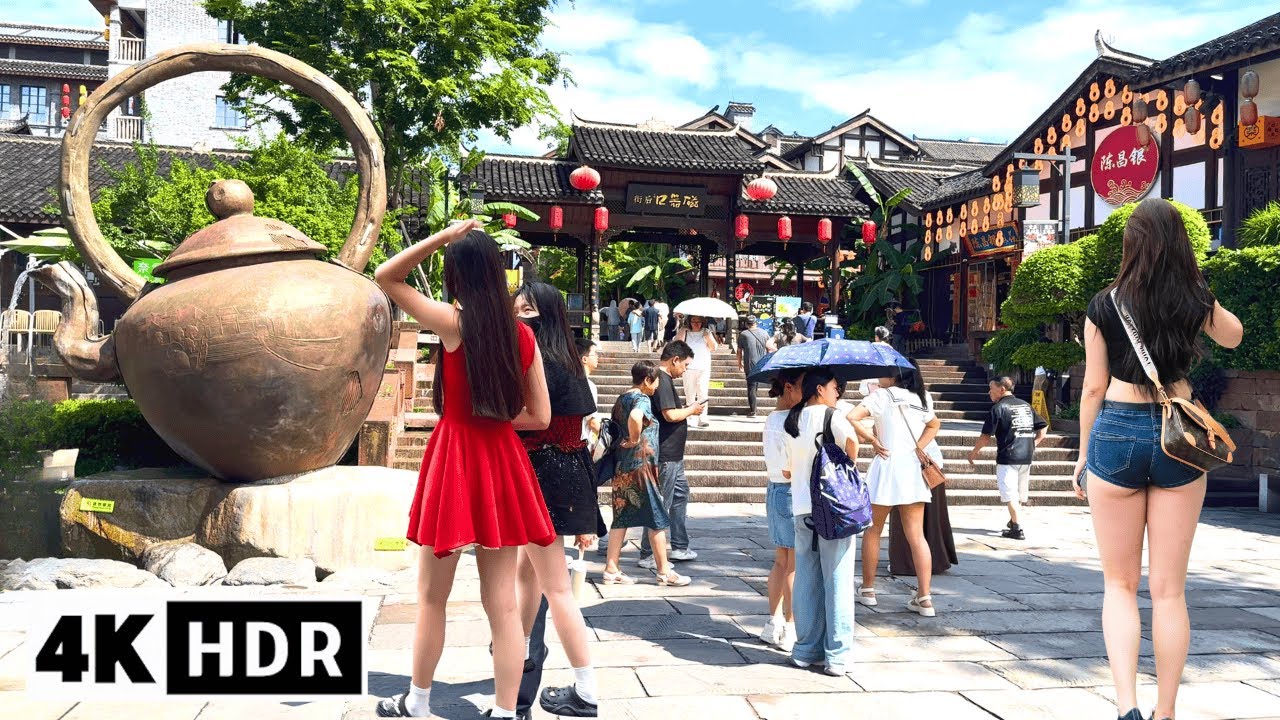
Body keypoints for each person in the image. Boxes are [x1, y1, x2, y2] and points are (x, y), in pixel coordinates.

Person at [372, 220, 553, 719]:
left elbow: (386, 277)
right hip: (502, 463)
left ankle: (419, 701)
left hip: (455, 458)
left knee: (433, 597)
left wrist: (442, 237)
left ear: (455, 276)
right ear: (497, 274)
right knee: (503, 604)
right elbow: (539, 417)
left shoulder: (453, 324)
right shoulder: (523, 336)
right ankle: (503, 710)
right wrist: (494, 415)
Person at [1073, 198, 1242, 720]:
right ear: (1180, 245)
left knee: (1119, 586)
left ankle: (1127, 707)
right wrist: (1200, 289)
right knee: (1169, 591)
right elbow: (1234, 336)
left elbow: (1094, 387)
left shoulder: (1105, 304)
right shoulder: (1193, 298)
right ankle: (1166, 711)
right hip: (1180, 438)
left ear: (1131, 244)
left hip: (1117, 433)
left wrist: (1083, 456)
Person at [509, 282, 599, 718]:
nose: (518, 318)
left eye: (526, 311)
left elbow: (536, 421)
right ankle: (522, 658)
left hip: (539, 473)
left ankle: (584, 689)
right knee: (532, 576)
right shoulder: (570, 359)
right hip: (565, 473)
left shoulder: (537, 359)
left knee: (555, 588)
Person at [847, 367, 943, 618]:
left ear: (893, 375)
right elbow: (934, 424)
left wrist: (872, 439)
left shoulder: (881, 395)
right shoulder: (921, 397)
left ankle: (868, 590)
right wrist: (917, 448)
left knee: (873, 529)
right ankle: (925, 597)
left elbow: (852, 416)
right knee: (916, 535)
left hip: (886, 466)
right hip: (911, 469)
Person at [783, 367, 859, 675]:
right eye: (833, 386)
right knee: (838, 578)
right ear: (819, 390)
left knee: (806, 577)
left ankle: (805, 649)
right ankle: (837, 655)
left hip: (802, 506)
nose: (837, 391)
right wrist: (847, 466)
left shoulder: (793, 419)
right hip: (833, 507)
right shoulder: (832, 416)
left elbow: (789, 468)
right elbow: (852, 444)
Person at [600, 360, 692, 587]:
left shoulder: (621, 398)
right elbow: (635, 417)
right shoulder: (642, 398)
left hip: (622, 467)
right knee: (657, 518)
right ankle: (664, 572)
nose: (656, 387)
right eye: (655, 382)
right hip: (641, 467)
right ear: (647, 380)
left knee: (620, 518)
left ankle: (611, 569)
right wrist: (634, 439)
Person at [888, 361, 958, 576]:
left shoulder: (890, 396)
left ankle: (905, 562)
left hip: (910, 460)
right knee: (930, 518)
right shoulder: (922, 395)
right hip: (928, 458)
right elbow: (932, 425)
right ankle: (933, 560)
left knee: (904, 518)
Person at [638, 341, 704, 568]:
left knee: (679, 497)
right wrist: (692, 409)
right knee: (661, 503)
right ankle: (648, 553)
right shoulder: (662, 380)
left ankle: (679, 545)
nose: (685, 369)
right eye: (685, 365)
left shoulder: (664, 380)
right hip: (666, 453)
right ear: (675, 360)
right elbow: (670, 415)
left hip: (674, 453)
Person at [967, 376, 1048, 540]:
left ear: (1002, 389)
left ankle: (1017, 529)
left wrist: (974, 452)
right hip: (1026, 457)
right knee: (1017, 494)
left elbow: (985, 435)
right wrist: (1034, 443)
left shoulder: (998, 408)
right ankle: (1013, 521)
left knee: (1010, 494)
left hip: (1008, 457)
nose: (989, 391)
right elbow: (1043, 425)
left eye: (991, 387)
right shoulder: (1026, 406)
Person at [760, 369, 803, 652]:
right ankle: (790, 626)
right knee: (793, 564)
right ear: (789, 388)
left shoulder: (772, 419)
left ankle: (772, 622)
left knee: (780, 560)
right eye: (802, 387)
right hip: (789, 491)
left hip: (775, 489)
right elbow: (792, 466)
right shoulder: (790, 421)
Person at [675, 316, 718, 428]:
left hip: (703, 367)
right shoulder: (685, 331)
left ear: (702, 322)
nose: (696, 323)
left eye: (698, 321)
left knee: (702, 393)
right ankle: (690, 417)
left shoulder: (706, 332)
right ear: (689, 321)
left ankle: (703, 417)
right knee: (689, 393)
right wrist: (682, 331)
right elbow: (677, 344)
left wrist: (708, 337)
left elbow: (713, 348)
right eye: (693, 321)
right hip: (688, 367)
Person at [737, 314, 777, 416]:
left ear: (746, 324)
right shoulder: (764, 333)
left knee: (751, 387)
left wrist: (739, 362)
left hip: (749, 364)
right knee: (756, 385)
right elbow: (769, 349)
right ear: (756, 323)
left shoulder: (743, 334)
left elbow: (739, 350)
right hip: (762, 363)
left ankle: (753, 410)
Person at [859, 327, 894, 397]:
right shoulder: (890, 348)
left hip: (872, 377)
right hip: (886, 378)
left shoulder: (872, 346)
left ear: (877, 337)